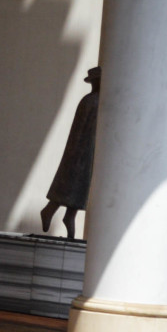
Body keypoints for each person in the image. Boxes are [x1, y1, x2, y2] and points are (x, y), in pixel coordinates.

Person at [41, 66, 101, 240]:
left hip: (84, 151)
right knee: (71, 185)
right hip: (82, 151)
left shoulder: (90, 101)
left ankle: (67, 216)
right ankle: (51, 211)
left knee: (79, 187)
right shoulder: (93, 101)